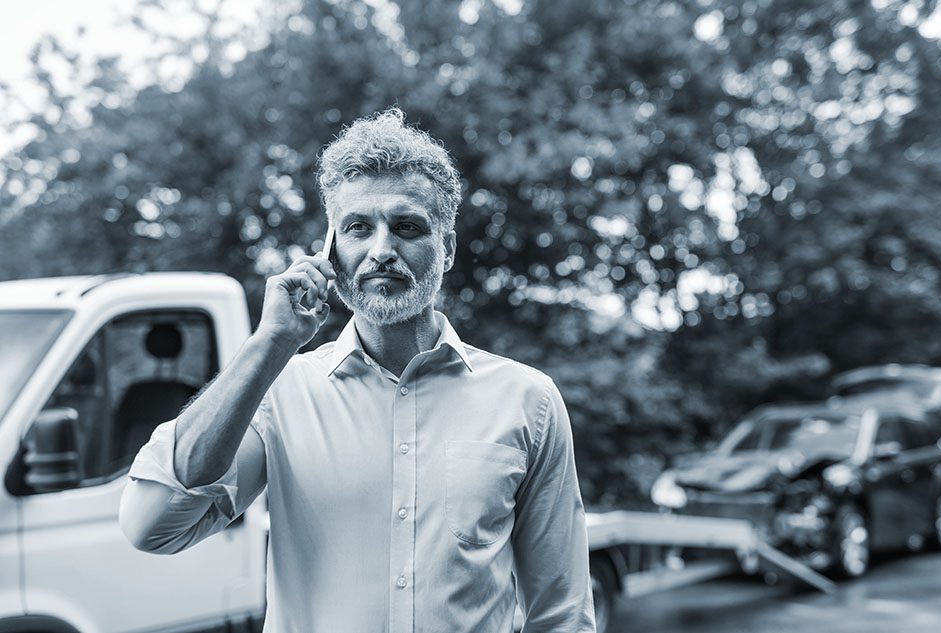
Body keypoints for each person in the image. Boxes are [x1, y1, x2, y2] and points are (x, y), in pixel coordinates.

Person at [119, 108, 596, 633]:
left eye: (408, 227)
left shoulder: (528, 399)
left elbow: (563, 613)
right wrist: (270, 343)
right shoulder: (279, 393)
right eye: (358, 228)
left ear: (449, 248)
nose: (382, 250)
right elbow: (152, 525)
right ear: (332, 251)